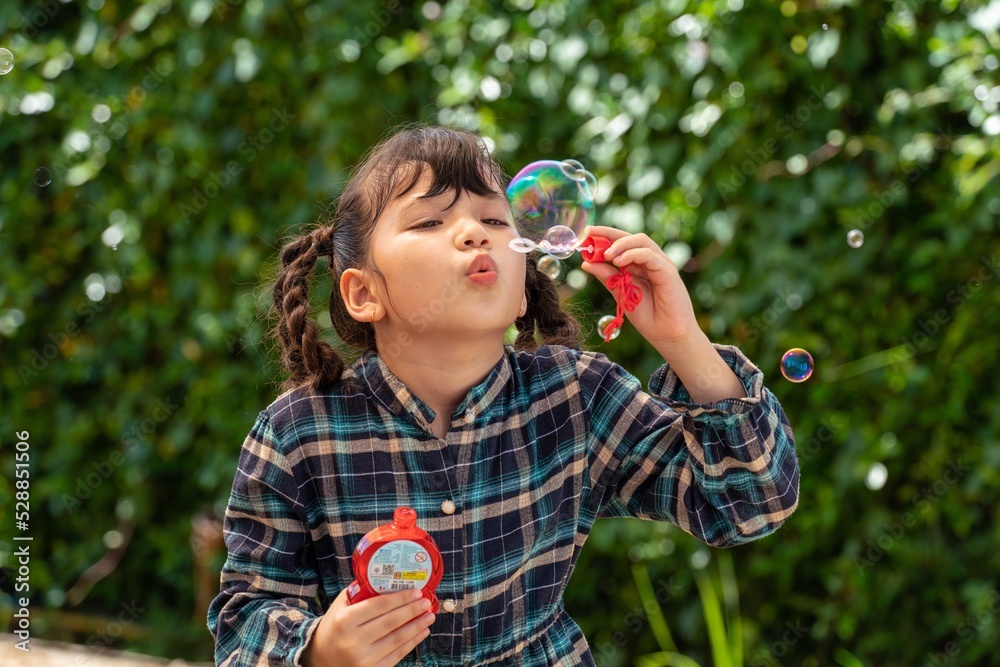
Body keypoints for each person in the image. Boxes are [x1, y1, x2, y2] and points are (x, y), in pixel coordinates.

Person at [207, 124, 800, 667]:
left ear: (522, 292)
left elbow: (751, 504)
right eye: (430, 222)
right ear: (364, 294)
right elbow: (242, 623)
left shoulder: (574, 396)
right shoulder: (297, 434)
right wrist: (318, 652)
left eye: (496, 221)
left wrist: (682, 340)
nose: (474, 233)